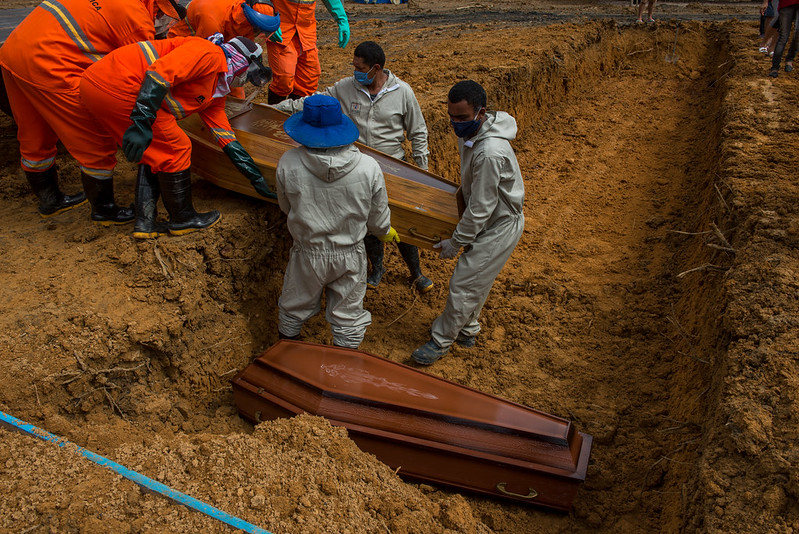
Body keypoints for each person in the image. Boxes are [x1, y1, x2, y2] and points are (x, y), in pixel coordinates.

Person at [0, 0, 184, 223]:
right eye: (161, 13)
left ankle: (50, 201)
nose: (159, 19)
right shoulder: (135, 18)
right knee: (94, 139)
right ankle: (104, 210)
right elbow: (142, 72)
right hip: (51, 63)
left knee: (35, 134)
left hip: (13, 52)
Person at [79, 34, 276, 238]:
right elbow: (159, 76)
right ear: (242, 60)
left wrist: (255, 177)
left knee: (155, 152)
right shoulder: (210, 54)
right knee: (177, 148)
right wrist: (142, 121)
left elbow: (224, 136)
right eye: (249, 73)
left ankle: (145, 223)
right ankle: (183, 218)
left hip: (105, 85)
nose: (245, 80)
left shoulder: (215, 91)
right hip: (120, 84)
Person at [274, 41, 433, 293]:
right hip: (357, 165)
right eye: (353, 66)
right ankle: (377, 268)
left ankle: (416, 272)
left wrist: (421, 171)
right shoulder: (345, 87)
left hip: (394, 166)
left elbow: (418, 132)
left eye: (360, 67)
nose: (355, 71)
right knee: (367, 220)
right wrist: (276, 108)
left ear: (376, 68)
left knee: (399, 221)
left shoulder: (403, 92)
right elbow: (313, 102)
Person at [412, 80, 525, 366]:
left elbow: (481, 207)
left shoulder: (490, 153)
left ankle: (441, 340)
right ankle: (467, 330)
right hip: (487, 219)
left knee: (465, 282)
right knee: (477, 279)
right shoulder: (473, 132)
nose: (455, 123)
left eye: (461, 117)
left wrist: (457, 241)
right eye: (451, 116)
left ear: (481, 112)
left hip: (499, 224)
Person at [275, 94, 396, 348]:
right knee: (348, 316)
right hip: (349, 252)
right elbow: (377, 217)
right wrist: (384, 230)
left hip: (308, 250)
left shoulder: (288, 162)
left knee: (293, 306)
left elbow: (285, 205)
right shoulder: (368, 167)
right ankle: (343, 369)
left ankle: (285, 355)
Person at [167, 0, 281, 98]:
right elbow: (212, 61)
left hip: (220, 39)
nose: (258, 34)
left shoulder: (242, 13)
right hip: (185, 46)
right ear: (248, 21)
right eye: (258, 30)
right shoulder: (211, 19)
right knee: (201, 87)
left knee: (236, 95)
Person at [266, 0, 350, 104]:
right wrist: (267, 18)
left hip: (306, 31)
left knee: (308, 79)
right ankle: (274, 116)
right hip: (281, 29)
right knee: (284, 78)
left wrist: (342, 19)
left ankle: (295, 114)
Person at [768, 0, 799, 76]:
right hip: (786, 3)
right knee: (783, 36)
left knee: (797, 35)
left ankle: (789, 59)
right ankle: (775, 67)